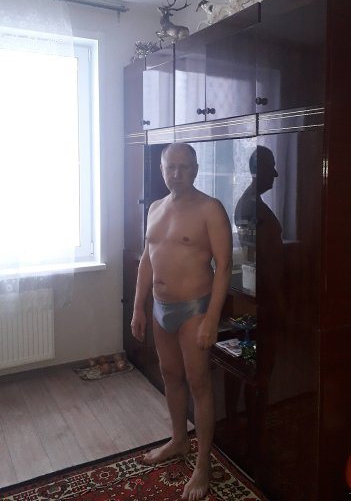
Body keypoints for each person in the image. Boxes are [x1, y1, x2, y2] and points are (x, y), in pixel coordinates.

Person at [131, 142, 232, 501]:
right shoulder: (155, 208)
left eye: (184, 167)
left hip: (194, 309)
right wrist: (138, 307)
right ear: (162, 170)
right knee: (170, 375)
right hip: (160, 307)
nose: (177, 173)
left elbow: (225, 266)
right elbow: (147, 260)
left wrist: (211, 319)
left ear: (196, 169)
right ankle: (178, 440)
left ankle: (202, 464)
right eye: (170, 167)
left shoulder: (210, 209)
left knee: (199, 383)